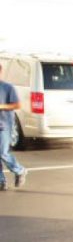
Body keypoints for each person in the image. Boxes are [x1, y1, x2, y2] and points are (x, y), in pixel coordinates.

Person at [0, 62, 27, 190]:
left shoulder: (7, 87)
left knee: (3, 153)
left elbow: (17, 105)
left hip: (4, 125)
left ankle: (20, 170)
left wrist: (2, 107)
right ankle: (1, 181)